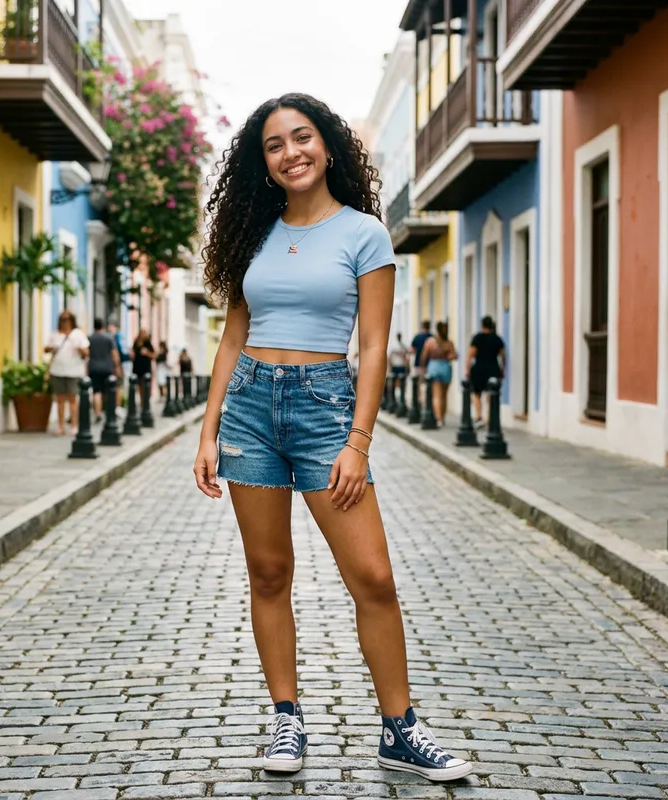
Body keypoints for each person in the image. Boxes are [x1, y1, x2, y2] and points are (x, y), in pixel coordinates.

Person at [192, 93, 472, 783]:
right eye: (274, 145)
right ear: (262, 162)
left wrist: (358, 441)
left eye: (302, 137)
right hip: (250, 409)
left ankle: (400, 730)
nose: (291, 153)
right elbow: (233, 336)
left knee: (372, 576)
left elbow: (373, 347)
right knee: (269, 572)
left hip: (325, 409)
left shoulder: (364, 233)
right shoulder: (253, 233)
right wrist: (208, 430)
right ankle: (286, 717)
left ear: (327, 145)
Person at [44, 310, 89, 436]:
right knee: (59, 399)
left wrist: (79, 348)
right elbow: (46, 349)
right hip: (57, 370)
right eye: (62, 319)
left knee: (73, 399)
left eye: (67, 319)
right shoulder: (55, 335)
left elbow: (86, 352)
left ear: (72, 320)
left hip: (73, 371)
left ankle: (74, 425)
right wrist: (52, 348)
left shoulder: (78, 334)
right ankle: (61, 426)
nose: (64, 322)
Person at [466, 315, 506, 428]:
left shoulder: (477, 338)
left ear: (482, 325)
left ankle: (479, 416)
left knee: (476, 393)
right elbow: (503, 356)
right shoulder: (497, 339)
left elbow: (471, 355)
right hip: (493, 368)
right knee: (491, 394)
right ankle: (490, 418)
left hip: (479, 368)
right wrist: (503, 369)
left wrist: (467, 369)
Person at [420, 321, 457, 426]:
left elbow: (423, 356)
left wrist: (423, 369)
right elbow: (454, 355)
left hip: (434, 366)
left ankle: (438, 418)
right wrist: (448, 356)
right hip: (445, 366)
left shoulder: (430, 342)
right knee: (444, 394)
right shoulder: (448, 342)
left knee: (436, 394)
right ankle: (442, 417)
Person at [88, 318, 121, 422]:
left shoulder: (90, 338)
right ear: (103, 326)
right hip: (107, 368)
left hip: (94, 368)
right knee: (108, 391)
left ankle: (98, 413)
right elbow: (114, 354)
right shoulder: (109, 338)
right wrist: (117, 367)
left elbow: (87, 354)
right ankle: (109, 411)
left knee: (96, 392)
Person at [132, 329, 155, 407]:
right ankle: (142, 401)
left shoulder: (148, 343)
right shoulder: (136, 343)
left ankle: (145, 401)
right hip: (137, 367)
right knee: (139, 385)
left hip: (146, 368)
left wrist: (147, 353)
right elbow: (133, 353)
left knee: (145, 385)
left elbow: (154, 355)